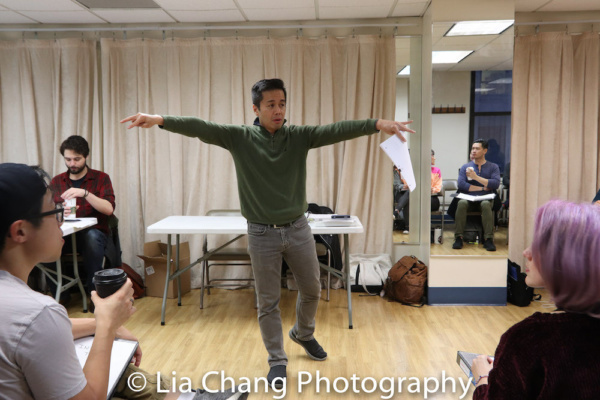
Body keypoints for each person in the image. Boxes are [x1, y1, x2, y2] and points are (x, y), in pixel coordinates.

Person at [121, 78, 415, 387]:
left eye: (282, 104)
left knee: (312, 289)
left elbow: (335, 130)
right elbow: (201, 127)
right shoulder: (240, 138)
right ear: (256, 108)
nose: (278, 111)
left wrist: (378, 124)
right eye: (271, 105)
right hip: (261, 234)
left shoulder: (298, 137)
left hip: (300, 228)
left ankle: (303, 333)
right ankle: (277, 360)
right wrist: (160, 121)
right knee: (268, 302)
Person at [0, 163, 179, 400]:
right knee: (157, 388)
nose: (61, 221)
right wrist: (106, 325)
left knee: (143, 382)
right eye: (54, 211)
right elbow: (36, 325)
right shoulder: (38, 312)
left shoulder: (26, 312)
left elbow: (30, 331)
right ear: (20, 232)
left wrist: (102, 324)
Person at [471, 200, 600, 399]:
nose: (526, 252)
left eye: (538, 245)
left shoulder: (530, 339)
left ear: (564, 258)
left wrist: (483, 379)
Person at [48, 135, 118, 294]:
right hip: (65, 234)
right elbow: (46, 211)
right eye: (68, 159)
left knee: (91, 237)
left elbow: (108, 209)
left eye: (77, 159)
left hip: (94, 235)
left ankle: (95, 294)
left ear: (86, 156)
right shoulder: (57, 181)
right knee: (44, 240)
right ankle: (60, 295)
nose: (72, 164)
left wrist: (85, 193)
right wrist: (59, 210)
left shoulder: (101, 178)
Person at [452, 139, 500, 251]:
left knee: (485, 204)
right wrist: (483, 187)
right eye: (473, 148)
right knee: (461, 203)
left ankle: (488, 239)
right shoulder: (465, 167)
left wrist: (476, 178)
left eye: (477, 148)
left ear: (485, 151)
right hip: (469, 199)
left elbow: (495, 183)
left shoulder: (493, 167)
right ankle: (458, 237)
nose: (474, 151)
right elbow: (462, 184)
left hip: (486, 199)